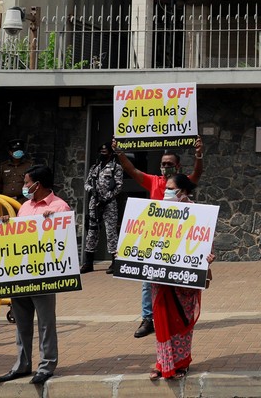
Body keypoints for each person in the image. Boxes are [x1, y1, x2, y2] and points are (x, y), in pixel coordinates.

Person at [114, 137, 204, 338]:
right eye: (163, 164)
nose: (165, 167)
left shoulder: (182, 183)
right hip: (155, 239)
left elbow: (198, 174)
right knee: (148, 280)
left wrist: (198, 154)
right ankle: (148, 319)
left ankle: (178, 315)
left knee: (176, 281)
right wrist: (120, 152)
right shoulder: (154, 181)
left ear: (178, 166)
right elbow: (132, 171)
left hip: (178, 239)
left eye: (169, 164)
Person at [0, 164, 72, 386]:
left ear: (37, 184)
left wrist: (53, 224)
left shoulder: (60, 207)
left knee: (46, 322)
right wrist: (6, 227)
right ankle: (22, 365)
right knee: (21, 322)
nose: (25, 186)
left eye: (27, 182)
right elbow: (18, 239)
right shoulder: (24, 207)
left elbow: (62, 243)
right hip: (21, 272)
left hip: (44, 274)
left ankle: (47, 365)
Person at [148, 174, 209, 380]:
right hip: (161, 278)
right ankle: (162, 363)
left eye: (171, 188)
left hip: (184, 279)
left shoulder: (198, 213)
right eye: (166, 188)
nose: (167, 192)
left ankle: (181, 363)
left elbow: (203, 241)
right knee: (162, 318)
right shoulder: (157, 212)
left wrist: (207, 257)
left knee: (180, 321)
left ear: (183, 192)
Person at [82, 142, 123, 273]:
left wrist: (106, 199)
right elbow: (86, 183)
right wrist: (92, 191)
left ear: (111, 153)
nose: (102, 154)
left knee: (111, 232)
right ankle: (88, 263)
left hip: (109, 203)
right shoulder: (95, 167)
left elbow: (119, 186)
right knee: (92, 231)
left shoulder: (116, 167)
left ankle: (115, 262)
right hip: (94, 203)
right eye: (101, 152)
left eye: (105, 152)